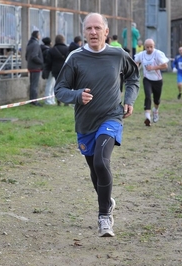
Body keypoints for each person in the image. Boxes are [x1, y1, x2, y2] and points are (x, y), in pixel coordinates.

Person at [54, 12, 139, 237]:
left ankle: (104, 218)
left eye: (97, 28)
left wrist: (129, 100)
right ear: (84, 32)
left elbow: (133, 78)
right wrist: (77, 95)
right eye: (89, 29)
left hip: (111, 117)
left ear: (106, 31)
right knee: (94, 169)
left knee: (102, 162)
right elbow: (59, 90)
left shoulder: (117, 55)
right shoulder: (75, 58)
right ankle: (107, 201)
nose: (93, 32)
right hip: (85, 123)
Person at [134, 39, 169, 126]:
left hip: (157, 80)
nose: (149, 49)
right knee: (148, 96)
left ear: (154, 46)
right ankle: (148, 117)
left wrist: (153, 67)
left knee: (156, 100)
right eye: (147, 47)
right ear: (144, 47)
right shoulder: (141, 55)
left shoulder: (158, 54)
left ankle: (156, 110)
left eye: (151, 47)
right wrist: (136, 67)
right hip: (147, 79)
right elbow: (136, 62)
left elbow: (165, 65)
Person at [45, 34, 68, 106]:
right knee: (66, 85)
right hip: (65, 69)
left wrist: (47, 70)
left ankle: (59, 100)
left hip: (55, 70)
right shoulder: (67, 49)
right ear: (63, 40)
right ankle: (66, 101)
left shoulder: (52, 50)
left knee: (58, 85)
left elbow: (48, 61)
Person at [25, 30, 43, 106]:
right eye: (39, 35)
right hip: (36, 67)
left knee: (32, 84)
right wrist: (41, 62)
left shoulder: (29, 44)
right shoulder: (36, 45)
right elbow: (34, 56)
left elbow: (26, 56)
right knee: (34, 85)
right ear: (37, 36)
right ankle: (34, 100)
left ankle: (32, 99)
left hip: (30, 66)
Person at [40, 37, 55, 105]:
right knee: (50, 84)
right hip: (49, 69)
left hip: (47, 69)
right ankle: (48, 100)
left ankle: (51, 99)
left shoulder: (43, 49)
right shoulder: (47, 50)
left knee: (51, 84)